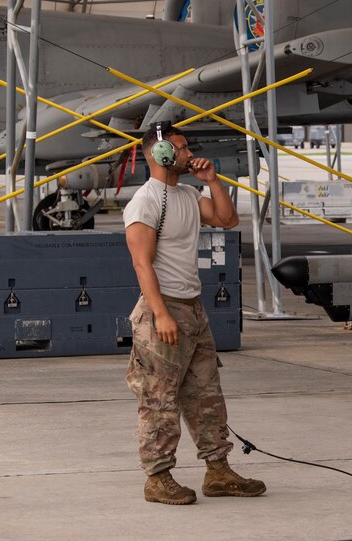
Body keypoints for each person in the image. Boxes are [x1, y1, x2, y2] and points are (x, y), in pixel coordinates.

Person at [123, 123, 265, 505]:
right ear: (163, 154)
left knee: (206, 395)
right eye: (182, 149)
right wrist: (161, 314)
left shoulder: (186, 193)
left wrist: (213, 181)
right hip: (164, 310)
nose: (189, 154)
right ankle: (157, 477)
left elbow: (226, 220)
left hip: (193, 309)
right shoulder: (146, 202)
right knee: (159, 400)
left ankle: (218, 471)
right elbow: (141, 263)